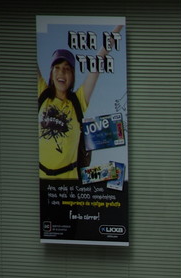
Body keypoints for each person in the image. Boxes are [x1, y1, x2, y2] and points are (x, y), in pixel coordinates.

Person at [37, 28, 122, 180]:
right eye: (57, 68)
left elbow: (97, 63)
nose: (61, 72)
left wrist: (117, 30)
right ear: (51, 73)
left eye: (67, 69)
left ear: (73, 75)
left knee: (115, 172)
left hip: (69, 180)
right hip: (41, 180)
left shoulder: (78, 101)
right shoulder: (42, 94)